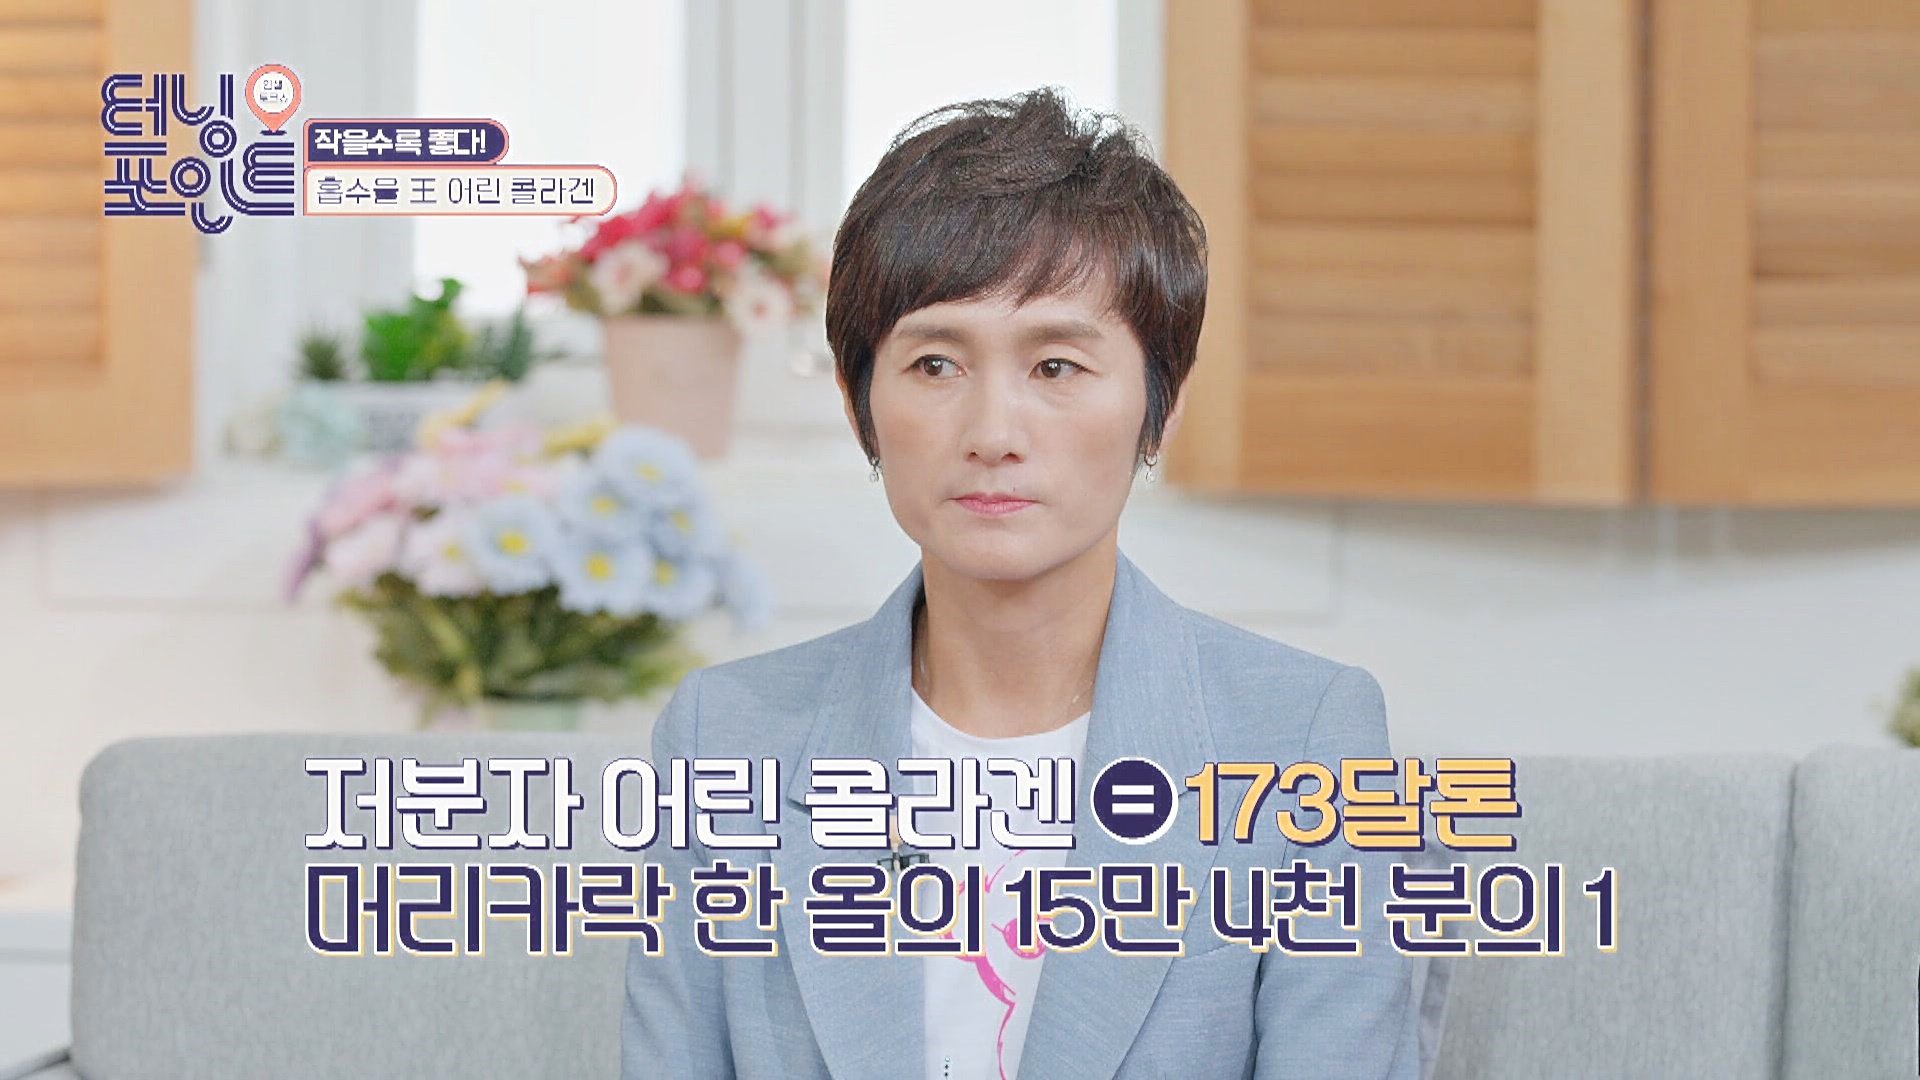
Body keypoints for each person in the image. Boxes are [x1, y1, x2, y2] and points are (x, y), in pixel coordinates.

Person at [621, 86, 1420, 1080]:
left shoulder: (1304, 741)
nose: (993, 434)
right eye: (934, 365)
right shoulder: (723, 740)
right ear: (858, 403)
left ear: (1161, 405)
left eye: (1055, 367)